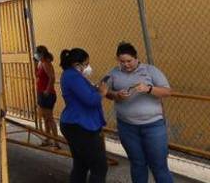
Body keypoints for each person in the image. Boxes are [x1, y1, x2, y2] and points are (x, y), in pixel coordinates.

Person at [105, 42, 173, 183]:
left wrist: (149, 89)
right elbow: (105, 92)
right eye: (122, 62)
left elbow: (167, 91)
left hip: (153, 126)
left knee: (159, 165)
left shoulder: (150, 70)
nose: (126, 65)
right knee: (137, 163)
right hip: (127, 127)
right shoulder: (113, 73)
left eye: (129, 61)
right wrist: (116, 94)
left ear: (136, 58)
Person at [59, 47, 108, 183]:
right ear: (77, 64)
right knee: (99, 167)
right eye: (86, 64)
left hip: (76, 124)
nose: (88, 67)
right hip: (82, 126)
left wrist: (96, 89)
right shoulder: (73, 76)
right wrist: (102, 92)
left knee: (81, 164)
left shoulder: (72, 76)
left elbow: (87, 92)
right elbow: (91, 100)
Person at [35, 45, 61, 149]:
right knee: (45, 118)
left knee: (49, 118)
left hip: (47, 94)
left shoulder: (46, 64)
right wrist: (35, 64)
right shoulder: (41, 63)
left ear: (41, 53)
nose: (36, 55)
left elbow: (52, 77)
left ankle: (56, 141)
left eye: (37, 53)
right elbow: (37, 75)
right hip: (42, 93)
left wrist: (47, 89)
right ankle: (47, 138)